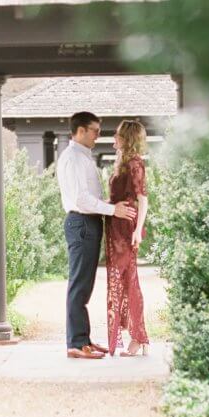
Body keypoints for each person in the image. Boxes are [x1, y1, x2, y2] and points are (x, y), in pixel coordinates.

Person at [56, 111, 137, 360]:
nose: (98, 135)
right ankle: (76, 343)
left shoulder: (82, 157)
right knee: (79, 284)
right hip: (81, 223)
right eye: (95, 131)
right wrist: (113, 209)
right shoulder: (73, 159)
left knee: (85, 285)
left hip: (88, 223)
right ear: (80, 131)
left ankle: (84, 339)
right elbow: (81, 199)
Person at [106, 119, 150, 357]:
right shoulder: (123, 164)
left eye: (118, 134)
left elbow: (143, 199)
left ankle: (139, 337)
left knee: (128, 282)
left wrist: (137, 231)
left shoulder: (134, 164)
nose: (114, 137)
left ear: (127, 138)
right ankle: (138, 337)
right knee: (123, 281)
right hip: (115, 228)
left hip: (125, 230)